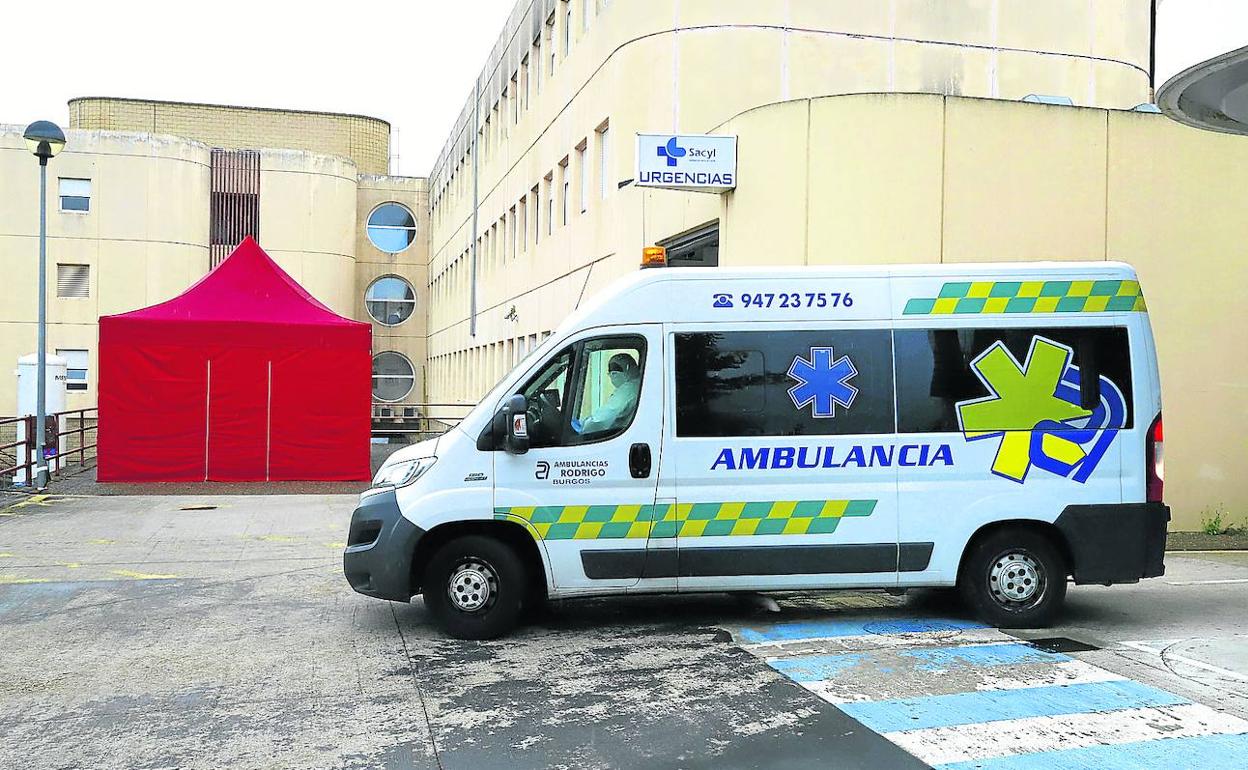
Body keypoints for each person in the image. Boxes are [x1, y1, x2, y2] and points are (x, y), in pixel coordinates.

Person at [575, 353, 641, 434]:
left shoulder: (628, 389)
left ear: (629, 369)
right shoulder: (637, 385)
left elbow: (601, 420)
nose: (612, 377)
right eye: (610, 374)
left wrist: (583, 427)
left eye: (615, 373)